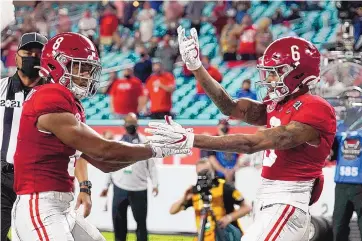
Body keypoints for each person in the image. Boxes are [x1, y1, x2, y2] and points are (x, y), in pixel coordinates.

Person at [147, 28, 337, 241]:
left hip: (287, 202)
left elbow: (252, 143)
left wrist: (192, 139)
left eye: (276, 71)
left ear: (298, 73)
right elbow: (231, 107)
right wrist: (197, 67)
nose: (270, 78)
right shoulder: (281, 104)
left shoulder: (316, 108)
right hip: (271, 201)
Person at [11, 32, 190, 241]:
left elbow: (107, 163)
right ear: (57, 64)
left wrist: (151, 150)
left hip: (61, 207)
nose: (87, 75)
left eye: (89, 68)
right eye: (81, 67)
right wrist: (156, 148)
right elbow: (103, 150)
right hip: (39, 206)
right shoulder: (49, 96)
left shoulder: (68, 103)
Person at [1, 32, 47, 241]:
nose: (33, 57)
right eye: (28, 52)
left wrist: (84, 185)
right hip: (2, 176)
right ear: (17, 55)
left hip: (37, 181)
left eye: (39, 53)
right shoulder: (1, 88)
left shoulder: (55, 94)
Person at [100, 113, 158, 241]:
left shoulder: (146, 142)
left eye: (133, 123)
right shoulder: (117, 142)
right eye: (128, 122)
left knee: (141, 222)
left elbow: (152, 165)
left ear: (137, 124)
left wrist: (155, 184)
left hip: (139, 187)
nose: (130, 125)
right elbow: (112, 165)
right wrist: (106, 186)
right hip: (120, 186)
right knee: (119, 222)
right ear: (124, 125)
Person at [169, 158, 251, 241]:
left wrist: (228, 218)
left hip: (225, 236)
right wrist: (184, 198)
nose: (203, 176)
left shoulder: (224, 187)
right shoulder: (196, 191)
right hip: (205, 237)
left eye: (206, 172)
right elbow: (172, 211)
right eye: (200, 173)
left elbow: (247, 207)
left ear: (212, 171)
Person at [332, 87, 362, 241]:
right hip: (342, 184)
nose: (350, 101)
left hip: (361, 184)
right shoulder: (339, 125)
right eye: (347, 98)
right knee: (338, 226)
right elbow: (332, 153)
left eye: (354, 98)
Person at [208, 119, 240, 183]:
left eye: (226, 124)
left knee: (232, 192)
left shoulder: (233, 140)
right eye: (222, 125)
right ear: (218, 126)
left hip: (231, 175)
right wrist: (224, 171)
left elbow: (237, 158)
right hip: (219, 176)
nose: (224, 126)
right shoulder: (213, 140)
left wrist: (233, 170)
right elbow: (212, 159)